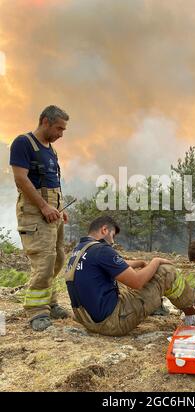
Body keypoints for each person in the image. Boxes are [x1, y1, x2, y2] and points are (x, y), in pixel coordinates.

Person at [64, 215, 195, 336]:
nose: (113, 242)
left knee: (125, 278)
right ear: (104, 230)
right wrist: (156, 261)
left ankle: (164, 306)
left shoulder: (80, 250)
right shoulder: (102, 250)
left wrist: (140, 263)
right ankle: (192, 315)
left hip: (89, 321)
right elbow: (136, 282)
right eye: (113, 235)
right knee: (166, 271)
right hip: (112, 322)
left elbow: (116, 264)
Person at [10, 105, 70, 331]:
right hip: (35, 212)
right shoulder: (23, 143)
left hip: (52, 210)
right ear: (45, 121)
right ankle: (36, 312)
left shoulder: (50, 149)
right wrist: (44, 206)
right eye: (59, 128)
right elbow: (21, 179)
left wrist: (59, 206)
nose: (61, 134)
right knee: (43, 260)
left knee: (57, 259)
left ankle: (50, 301)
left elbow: (54, 181)